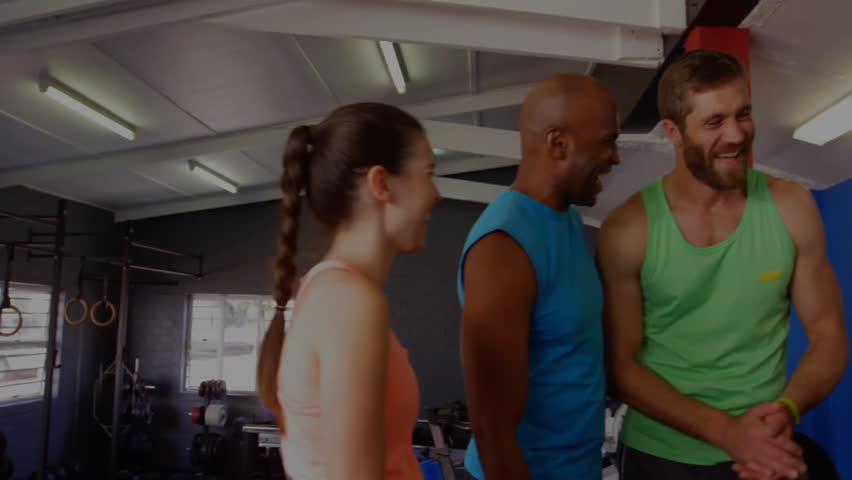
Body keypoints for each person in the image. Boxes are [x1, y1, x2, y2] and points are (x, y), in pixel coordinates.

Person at [597, 49, 849, 480]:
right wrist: (728, 432)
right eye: (714, 121)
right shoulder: (629, 229)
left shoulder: (792, 207)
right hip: (662, 457)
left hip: (764, 449)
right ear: (674, 132)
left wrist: (786, 410)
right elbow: (621, 368)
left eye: (742, 114)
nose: (735, 134)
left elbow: (828, 336)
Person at [256, 103, 441, 480]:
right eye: (428, 174)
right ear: (381, 183)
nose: (435, 194)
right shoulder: (349, 301)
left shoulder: (331, 291)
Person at [458, 74, 622, 480]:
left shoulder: (566, 219)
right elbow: (493, 433)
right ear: (558, 144)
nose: (615, 157)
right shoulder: (503, 246)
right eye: (607, 141)